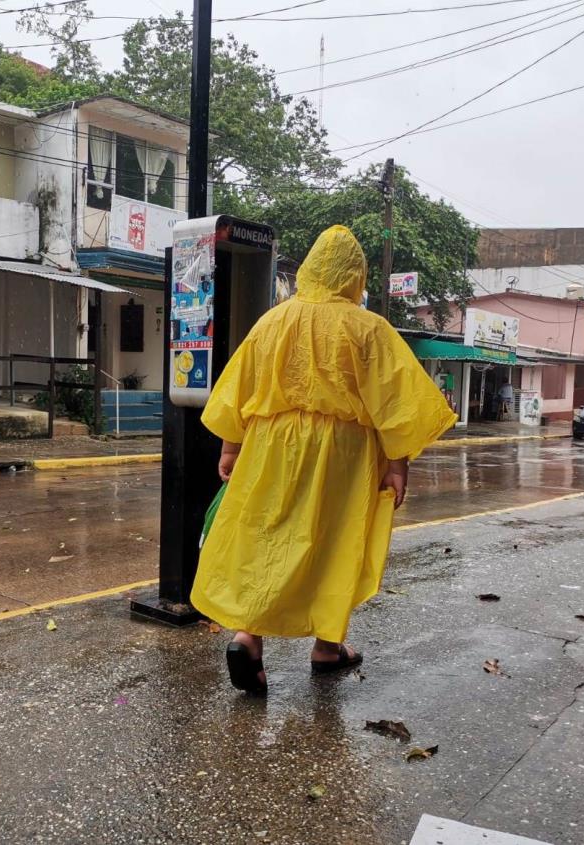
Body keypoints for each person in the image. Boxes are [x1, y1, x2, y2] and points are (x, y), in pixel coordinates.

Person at [191, 225, 457, 696]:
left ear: (309, 271)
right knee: (338, 542)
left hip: (271, 445)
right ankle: (327, 648)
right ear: (355, 277)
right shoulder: (368, 327)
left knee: (265, 537)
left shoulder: (272, 321)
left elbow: (239, 387)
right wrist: (398, 463)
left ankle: (247, 637)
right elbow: (395, 401)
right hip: (345, 453)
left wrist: (231, 448)